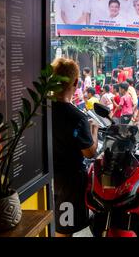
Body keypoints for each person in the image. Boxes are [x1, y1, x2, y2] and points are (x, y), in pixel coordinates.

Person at [51, 58, 98, 237]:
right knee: (64, 230)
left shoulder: (40, 111)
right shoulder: (77, 117)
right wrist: (94, 129)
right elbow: (89, 151)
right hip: (68, 184)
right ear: (76, 83)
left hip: (46, 179)